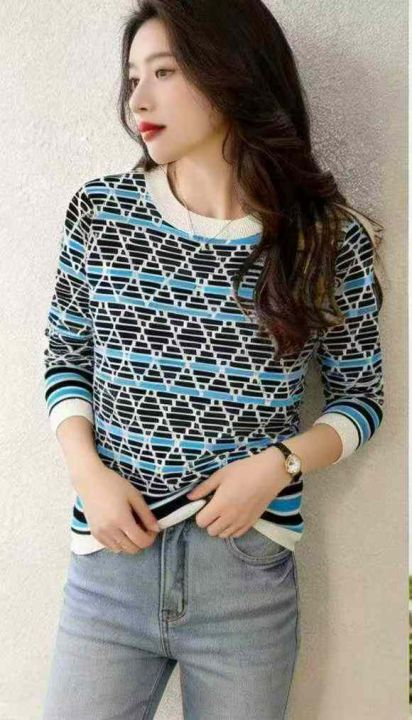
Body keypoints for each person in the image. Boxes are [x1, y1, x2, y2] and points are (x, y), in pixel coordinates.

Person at [41, 1, 385, 718]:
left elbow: (360, 399)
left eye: (164, 72)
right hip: (110, 568)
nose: (137, 99)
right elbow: (67, 359)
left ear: (233, 74)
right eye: (133, 77)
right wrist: (88, 476)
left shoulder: (324, 240)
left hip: (245, 575)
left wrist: (279, 465)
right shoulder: (102, 213)